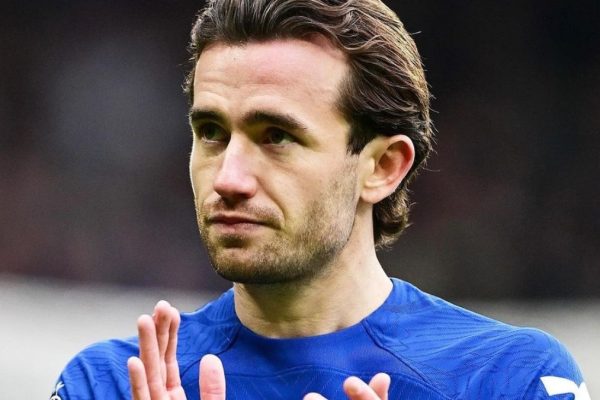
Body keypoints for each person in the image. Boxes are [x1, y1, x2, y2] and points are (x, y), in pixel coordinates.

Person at [53, 0, 590, 399]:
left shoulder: (509, 379)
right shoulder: (110, 384)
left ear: (382, 167)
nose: (229, 178)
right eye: (212, 132)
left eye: (277, 136)